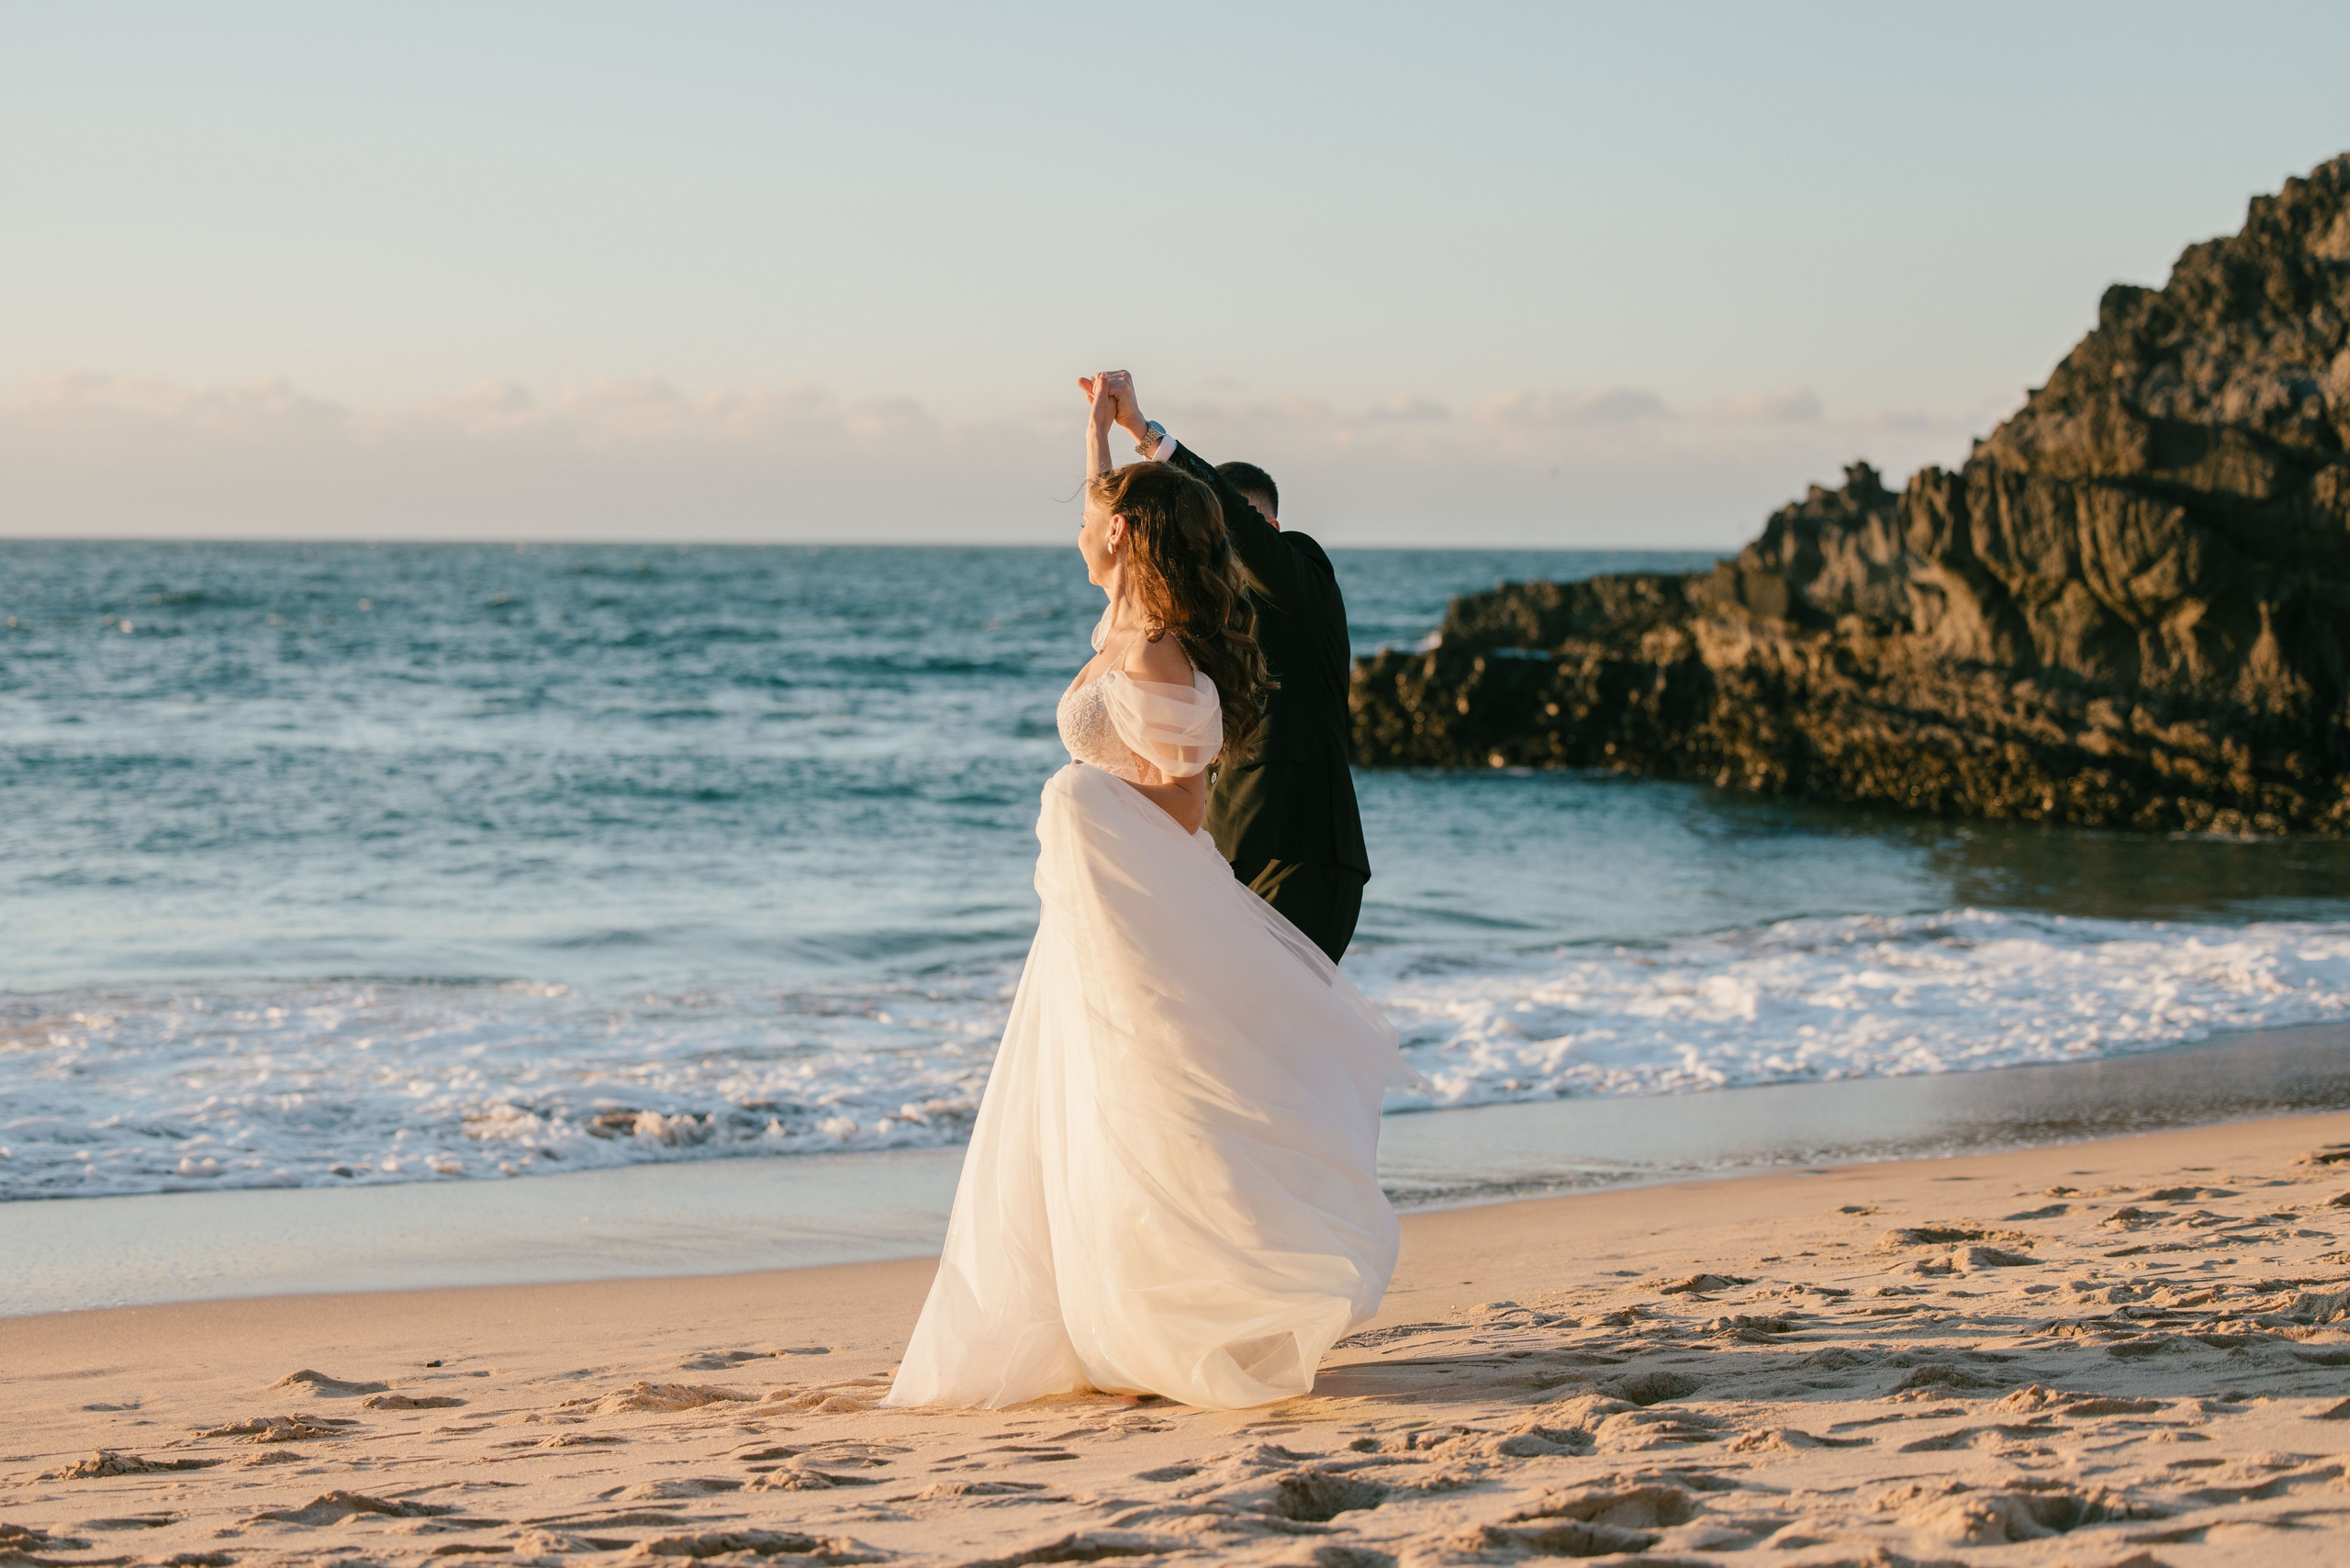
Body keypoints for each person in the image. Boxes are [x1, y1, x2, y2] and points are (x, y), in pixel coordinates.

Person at [882, 374, 1404, 1411]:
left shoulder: (1285, 576)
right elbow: (1100, 521)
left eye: (1113, 518)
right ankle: (1150, 1293)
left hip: (1289, 852)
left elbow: (1177, 799)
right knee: (1145, 1095)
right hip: (1144, 899)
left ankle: (1256, 1287)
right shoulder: (1137, 611)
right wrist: (1095, 430)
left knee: (1245, 1079)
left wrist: (1156, 444)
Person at [1088, 370, 1370, 964]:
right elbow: (1108, 552)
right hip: (1218, 853)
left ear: (1269, 527)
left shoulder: (1303, 576)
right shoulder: (1201, 618)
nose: (1229, 533)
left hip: (1303, 848)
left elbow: (1241, 530)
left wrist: (1145, 434)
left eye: (1243, 521)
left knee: (1288, 1042)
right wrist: (1097, 440)